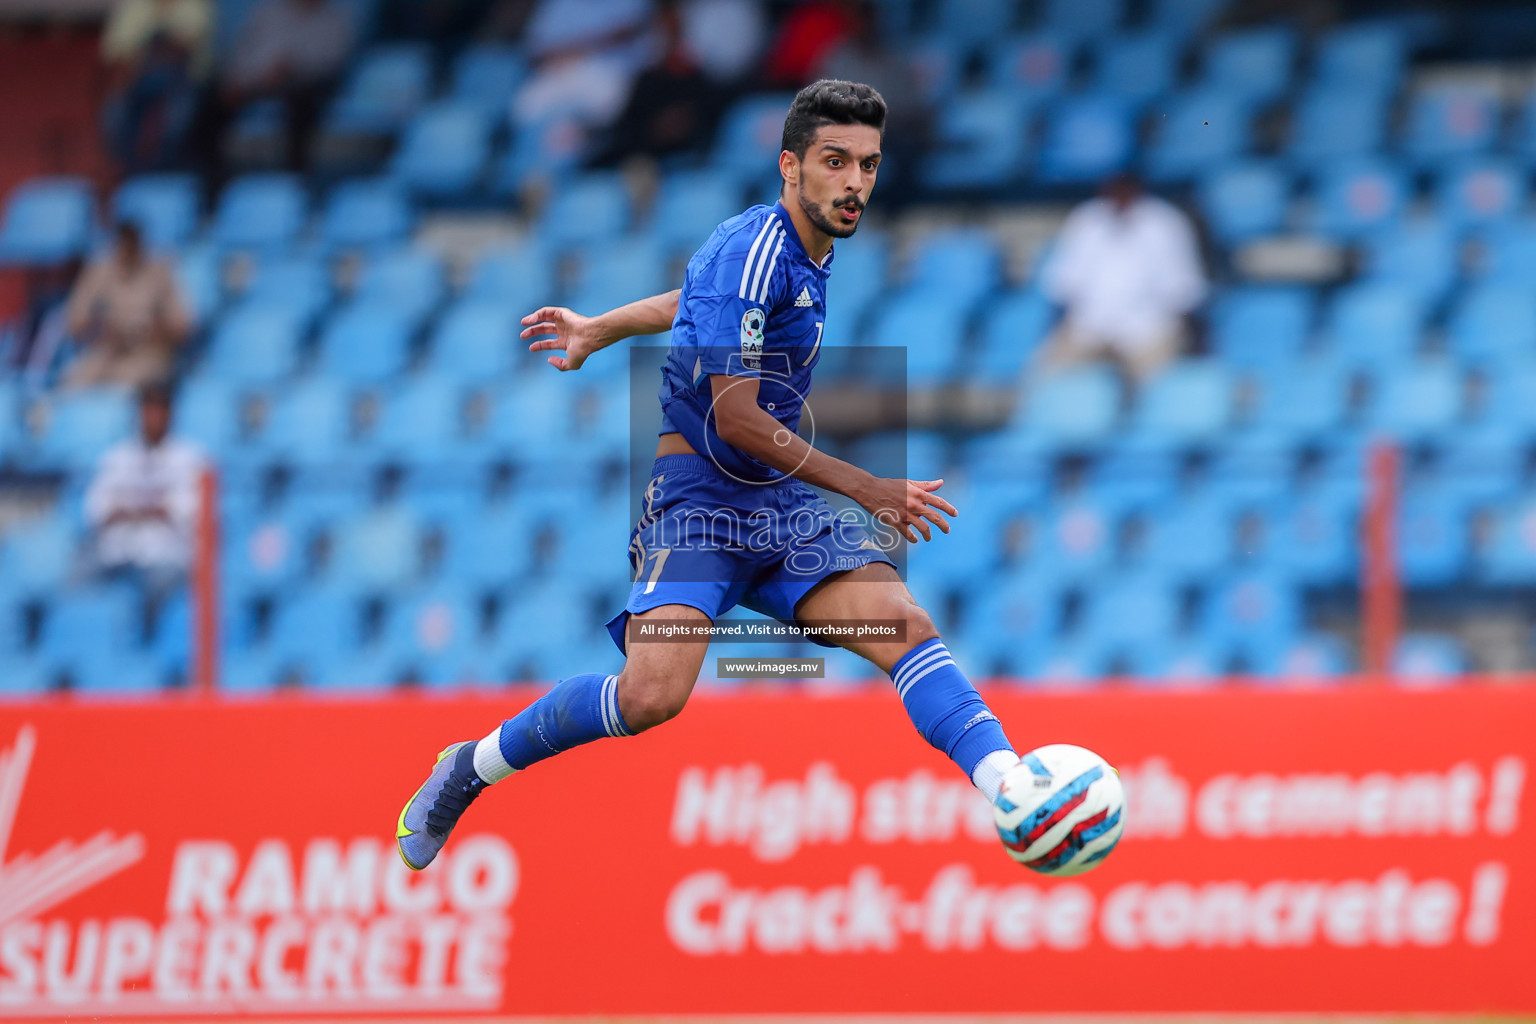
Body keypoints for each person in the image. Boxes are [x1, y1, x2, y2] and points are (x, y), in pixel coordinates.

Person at [397, 81, 1026, 872]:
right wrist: (867, 487)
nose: (855, 183)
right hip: (700, 505)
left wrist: (599, 327)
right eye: (835, 162)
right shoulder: (756, 245)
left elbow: (692, 299)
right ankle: (471, 766)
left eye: (868, 164)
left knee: (905, 628)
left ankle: (1009, 783)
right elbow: (735, 419)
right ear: (790, 166)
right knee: (650, 698)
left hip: (779, 498)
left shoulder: (801, 252)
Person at [1037, 173, 1207, 384]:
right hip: (1090, 323)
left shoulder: (1166, 222)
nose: (1118, 199)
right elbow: (1062, 283)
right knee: (1046, 375)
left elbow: (1185, 290)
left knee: (1160, 386)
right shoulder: (1087, 219)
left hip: (1149, 326)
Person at [199, 0, 356, 178]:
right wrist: (240, 80)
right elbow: (247, 53)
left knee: (302, 106)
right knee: (213, 100)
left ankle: (295, 177)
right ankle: (210, 177)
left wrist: (291, 68)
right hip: (258, 81)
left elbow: (332, 61)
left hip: (304, 85)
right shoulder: (270, 11)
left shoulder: (335, 19)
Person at [85, 383, 205, 596]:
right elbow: (95, 509)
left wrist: (131, 510)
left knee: (155, 588)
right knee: (78, 580)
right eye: (148, 409)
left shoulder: (190, 457)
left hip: (167, 556)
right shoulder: (118, 455)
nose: (153, 417)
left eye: (159, 410)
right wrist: (148, 511)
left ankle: (147, 630)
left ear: (170, 414)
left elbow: (186, 511)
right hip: (118, 554)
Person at [63, 222, 191, 389]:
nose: (128, 252)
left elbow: (183, 327)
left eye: (133, 246)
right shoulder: (100, 270)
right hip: (107, 351)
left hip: (148, 354)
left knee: (123, 385)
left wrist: (157, 331)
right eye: (124, 246)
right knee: (73, 381)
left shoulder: (160, 271)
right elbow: (74, 321)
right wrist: (99, 329)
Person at [99, 0, 213, 173]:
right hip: (137, 80)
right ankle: (131, 170)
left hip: (186, 81)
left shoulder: (195, 4)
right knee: (115, 112)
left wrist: (155, 46)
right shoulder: (134, 6)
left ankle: (170, 167)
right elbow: (113, 56)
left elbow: (183, 49)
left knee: (180, 114)